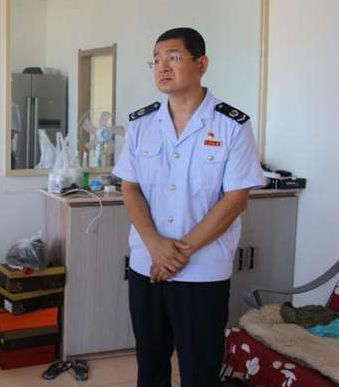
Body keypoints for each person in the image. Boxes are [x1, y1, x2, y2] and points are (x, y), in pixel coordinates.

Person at [112, 27, 266, 387]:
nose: (163, 66)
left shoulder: (232, 126)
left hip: (202, 270)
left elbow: (235, 200)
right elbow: (130, 188)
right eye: (156, 59)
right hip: (147, 265)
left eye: (174, 57)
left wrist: (178, 253)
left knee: (200, 369)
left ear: (202, 64)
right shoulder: (141, 124)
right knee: (150, 365)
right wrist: (155, 246)